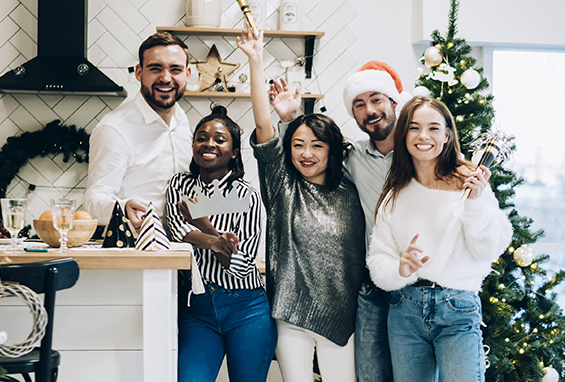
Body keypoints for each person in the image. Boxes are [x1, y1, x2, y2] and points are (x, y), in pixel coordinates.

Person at [238, 25, 365, 382]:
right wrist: (256, 60)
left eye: (317, 146)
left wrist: (296, 119)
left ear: (333, 150)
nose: (306, 154)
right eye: (297, 145)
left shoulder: (352, 189)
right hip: (289, 312)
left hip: (344, 313)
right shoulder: (282, 186)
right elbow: (264, 127)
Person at [271, 59, 411, 382]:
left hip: (417, 286)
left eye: (376, 99)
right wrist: (291, 118)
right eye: (359, 104)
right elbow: (312, 158)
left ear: (394, 102)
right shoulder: (354, 159)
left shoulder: (418, 152)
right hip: (373, 288)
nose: (369, 110)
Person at [366, 96, 512, 382]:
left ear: (447, 135)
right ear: (403, 134)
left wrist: (475, 204)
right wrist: (401, 268)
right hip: (404, 310)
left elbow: (488, 249)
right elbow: (377, 260)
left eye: (433, 128)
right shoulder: (395, 195)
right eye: (414, 128)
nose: (423, 136)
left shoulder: (470, 184)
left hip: (457, 309)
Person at [165, 105, 277, 382]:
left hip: (247, 309)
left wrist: (204, 227)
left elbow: (241, 265)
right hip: (198, 309)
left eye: (219, 139)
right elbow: (177, 230)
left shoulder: (246, 196)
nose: (208, 144)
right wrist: (217, 242)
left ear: (234, 151)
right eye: (201, 137)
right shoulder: (179, 185)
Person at [85, 32, 192, 232]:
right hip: (135, 252)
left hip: (181, 251)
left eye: (175, 69)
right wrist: (123, 207)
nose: (166, 78)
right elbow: (93, 201)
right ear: (138, 72)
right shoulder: (115, 128)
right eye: (155, 68)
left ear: (187, 74)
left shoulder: (182, 119)